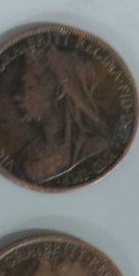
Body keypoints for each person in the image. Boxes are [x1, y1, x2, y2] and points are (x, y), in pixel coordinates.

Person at [14, 45, 110, 183]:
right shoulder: (27, 155)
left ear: (59, 92)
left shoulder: (94, 149)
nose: (17, 97)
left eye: (29, 86)